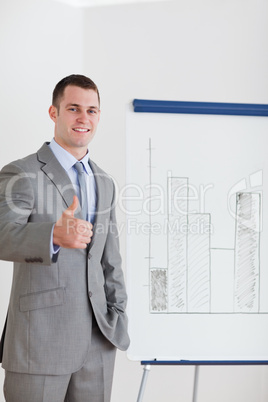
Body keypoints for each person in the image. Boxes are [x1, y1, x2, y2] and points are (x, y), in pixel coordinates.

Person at [0, 74, 130, 402]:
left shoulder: (104, 181)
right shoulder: (21, 173)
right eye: (73, 108)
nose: (83, 118)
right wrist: (52, 235)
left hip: (98, 343)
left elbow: (108, 258)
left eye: (92, 110)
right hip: (39, 343)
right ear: (53, 113)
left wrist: (118, 312)